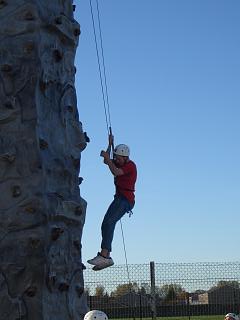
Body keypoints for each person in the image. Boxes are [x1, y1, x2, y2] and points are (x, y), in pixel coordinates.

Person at [87, 134, 137, 270]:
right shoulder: (120, 161)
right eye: (116, 158)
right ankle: (105, 256)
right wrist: (109, 144)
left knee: (109, 222)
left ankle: (105, 256)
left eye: (119, 158)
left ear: (126, 158)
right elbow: (106, 162)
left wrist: (108, 158)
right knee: (106, 223)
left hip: (126, 199)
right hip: (120, 198)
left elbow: (115, 171)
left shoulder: (131, 166)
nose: (116, 160)